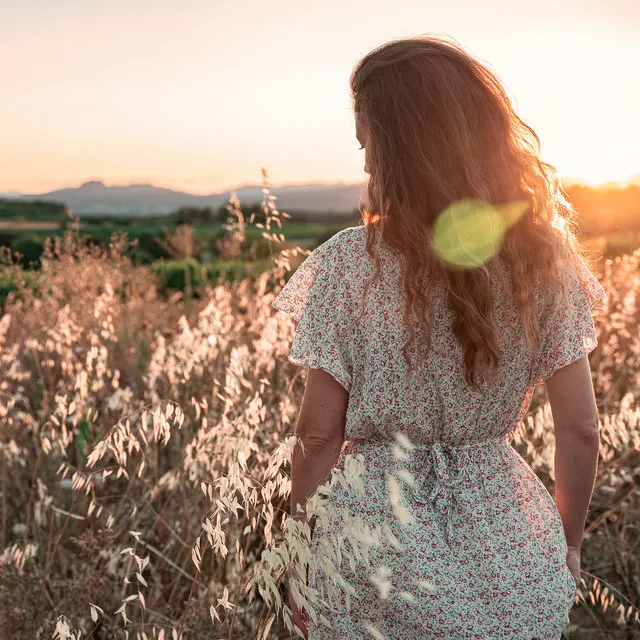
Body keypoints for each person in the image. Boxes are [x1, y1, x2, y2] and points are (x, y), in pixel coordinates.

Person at [271, 34, 605, 640]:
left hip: (373, 547)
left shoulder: (350, 264)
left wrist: (299, 559)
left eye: (370, 147)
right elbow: (581, 429)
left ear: (403, 150)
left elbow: (318, 436)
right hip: (506, 545)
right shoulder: (544, 262)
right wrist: (568, 545)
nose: (367, 165)